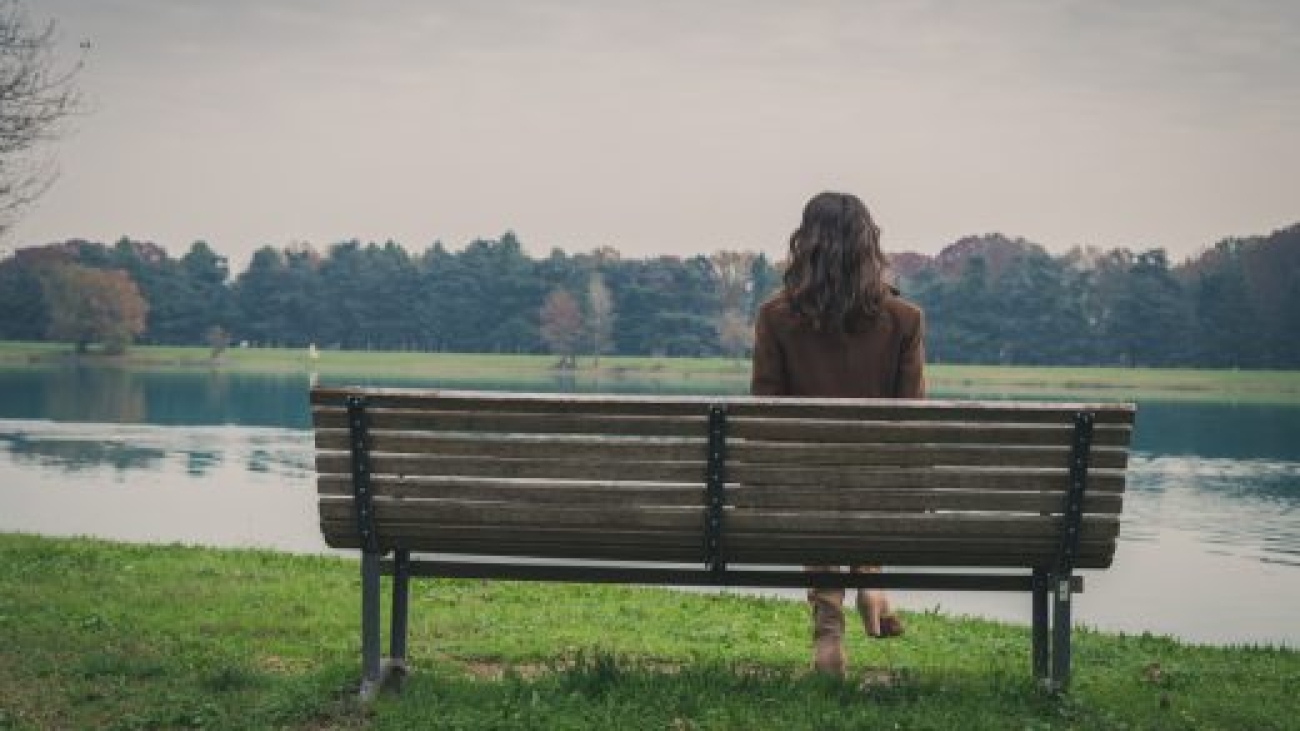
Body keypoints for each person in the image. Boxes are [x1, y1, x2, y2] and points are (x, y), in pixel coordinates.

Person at [750, 191, 925, 677]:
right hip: (878, 494)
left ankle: (829, 633)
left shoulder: (775, 317)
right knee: (866, 476)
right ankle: (871, 580)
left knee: (814, 480)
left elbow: (764, 423)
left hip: (803, 491)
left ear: (804, 246)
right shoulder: (905, 321)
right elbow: (912, 428)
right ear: (870, 247)